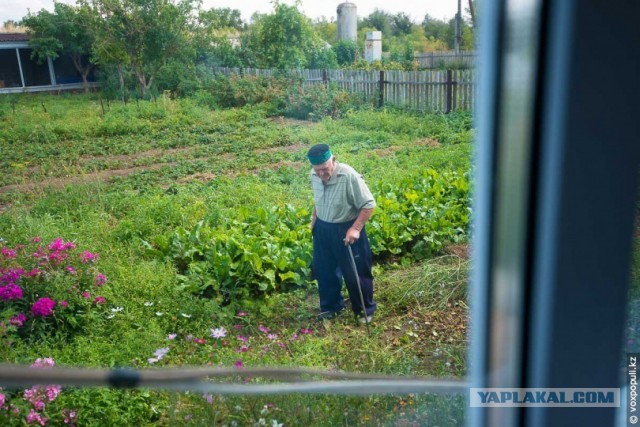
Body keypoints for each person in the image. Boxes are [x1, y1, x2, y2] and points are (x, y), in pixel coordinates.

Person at [307, 143, 377, 323]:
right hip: (322, 229)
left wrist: (355, 228)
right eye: (317, 171)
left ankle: (364, 310)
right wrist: (315, 218)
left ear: (334, 160)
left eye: (324, 169)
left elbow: (368, 204)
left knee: (356, 273)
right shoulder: (314, 175)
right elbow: (318, 198)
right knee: (324, 271)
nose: (321, 174)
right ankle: (332, 307)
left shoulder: (348, 175)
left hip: (345, 228)